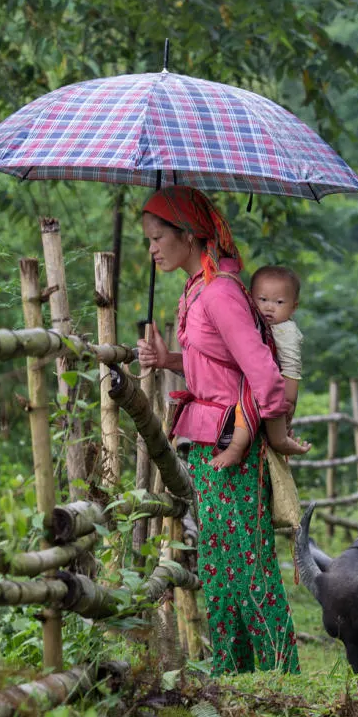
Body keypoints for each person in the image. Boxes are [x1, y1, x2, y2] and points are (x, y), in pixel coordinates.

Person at [136, 185, 300, 675]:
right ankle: (234, 670)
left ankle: (278, 673)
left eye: (158, 237)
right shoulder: (199, 289)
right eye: (147, 239)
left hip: (232, 440)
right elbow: (217, 366)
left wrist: (265, 429)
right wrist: (167, 359)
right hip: (208, 438)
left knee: (246, 560)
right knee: (219, 563)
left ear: (188, 235)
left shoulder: (222, 294)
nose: (152, 248)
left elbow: (263, 374)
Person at [209, 265, 311, 470]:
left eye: (279, 302)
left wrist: (289, 400)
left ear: (294, 307)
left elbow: (292, 367)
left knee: (251, 410)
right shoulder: (253, 322)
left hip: (277, 387)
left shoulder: (286, 331)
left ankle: (237, 449)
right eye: (262, 300)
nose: (269, 307)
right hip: (259, 383)